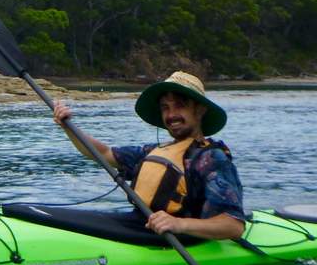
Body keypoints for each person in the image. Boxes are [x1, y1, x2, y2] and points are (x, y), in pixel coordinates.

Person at [52, 71, 245, 241]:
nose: (171, 115)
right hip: (142, 228)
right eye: (165, 107)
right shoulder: (153, 151)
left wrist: (179, 224)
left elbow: (234, 226)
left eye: (179, 105)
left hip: (183, 239)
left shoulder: (212, 159)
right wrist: (68, 126)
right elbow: (103, 153)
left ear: (200, 110)